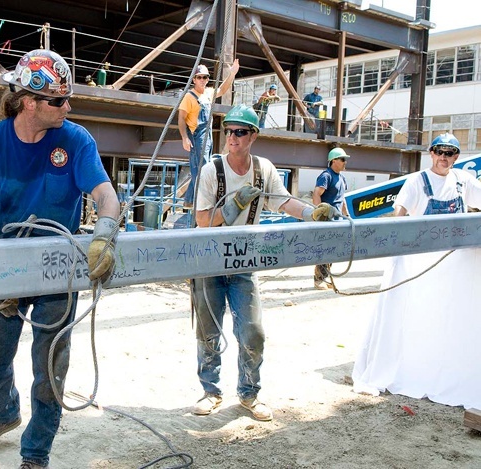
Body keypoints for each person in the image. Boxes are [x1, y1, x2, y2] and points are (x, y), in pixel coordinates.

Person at [0, 49, 120, 469]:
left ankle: (35, 454)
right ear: (29, 102)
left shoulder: (76, 140)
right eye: (58, 100)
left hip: (57, 273)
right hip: (5, 269)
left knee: (50, 371)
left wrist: (105, 233)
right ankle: (3, 414)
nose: (67, 107)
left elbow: (105, 195)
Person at [190, 104, 337, 420]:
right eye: (229, 131)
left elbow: (283, 202)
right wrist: (232, 209)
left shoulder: (263, 170)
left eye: (240, 132)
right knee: (208, 331)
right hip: (210, 260)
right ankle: (210, 391)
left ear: (253, 135)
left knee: (253, 331)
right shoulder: (210, 171)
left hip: (243, 261)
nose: (233, 137)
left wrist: (312, 213)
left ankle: (248, 393)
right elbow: (202, 219)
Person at [352, 132, 481, 409]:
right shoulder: (416, 181)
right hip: (420, 264)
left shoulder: (463, 181)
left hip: (453, 264)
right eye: (439, 152)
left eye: (449, 153)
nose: (443, 158)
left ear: (456, 157)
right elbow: (400, 213)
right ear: (431, 153)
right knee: (417, 317)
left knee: (448, 319)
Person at [178, 59, 240, 207]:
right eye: (199, 77)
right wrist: (184, 138)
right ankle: (199, 200)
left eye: (205, 77)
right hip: (197, 136)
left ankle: (189, 200)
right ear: (194, 79)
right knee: (202, 168)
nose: (202, 80)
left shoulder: (208, 93)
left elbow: (223, 89)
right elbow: (181, 118)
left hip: (208, 135)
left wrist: (231, 74)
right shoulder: (189, 97)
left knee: (203, 167)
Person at [312, 147, 350, 289]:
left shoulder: (341, 178)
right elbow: (317, 194)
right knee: (325, 250)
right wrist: (318, 214)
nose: (345, 162)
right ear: (334, 161)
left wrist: (347, 216)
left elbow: (342, 199)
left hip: (338, 221)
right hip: (327, 220)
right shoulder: (326, 176)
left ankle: (325, 277)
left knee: (333, 250)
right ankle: (318, 280)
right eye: (342, 159)